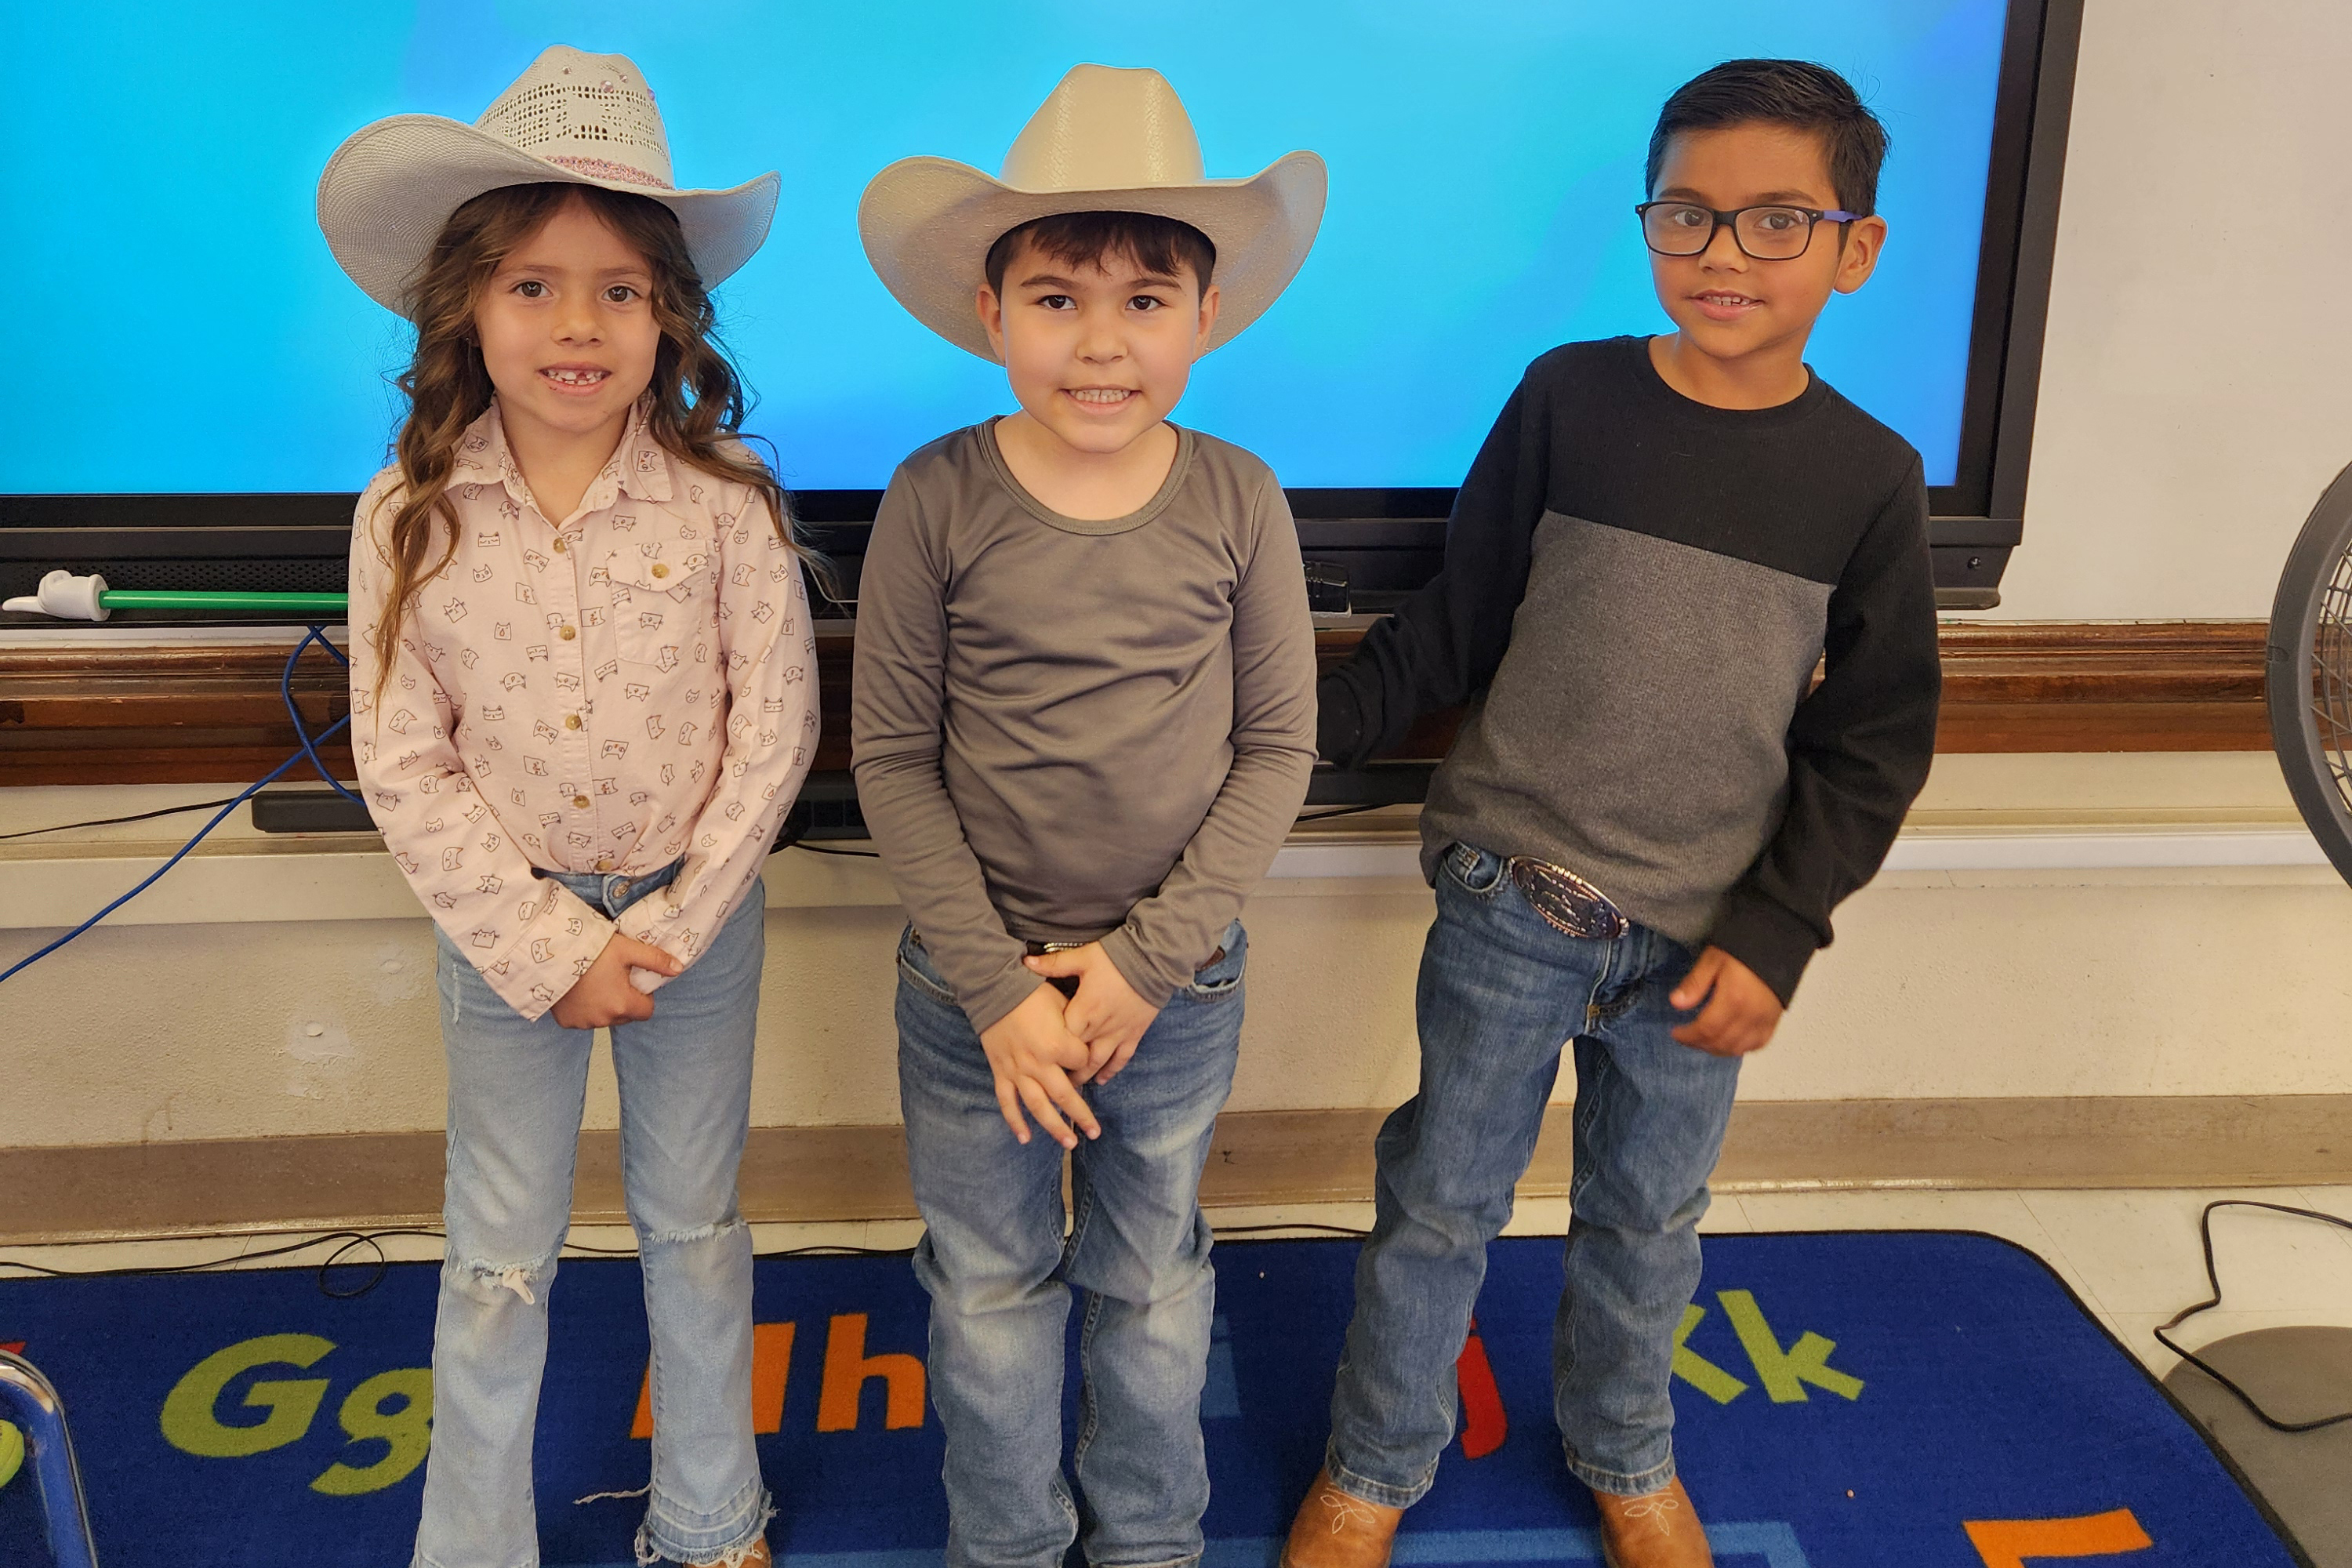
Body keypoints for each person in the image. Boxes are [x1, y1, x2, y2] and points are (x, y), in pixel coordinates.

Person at [1279, 60, 1941, 1568]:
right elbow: (1458, 620)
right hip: (1515, 895)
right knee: (1441, 1201)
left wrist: (1776, 938)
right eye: (1688, 215)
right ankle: (1375, 1465)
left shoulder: (1870, 478)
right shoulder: (1570, 394)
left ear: (1857, 249)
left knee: (1648, 1221)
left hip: (1708, 939)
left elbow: (1872, 742)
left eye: (1779, 221)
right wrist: (1290, 742)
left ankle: (1625, 1451)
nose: (1723, 253)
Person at [323, 46, 817, 1568]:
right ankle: (472, 1543)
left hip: (692, 926)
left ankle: (711, 1513)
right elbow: (403, 758)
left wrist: (663, 930)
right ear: (466, 302)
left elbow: (776, 729)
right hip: (504, 939)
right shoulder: (407, 510)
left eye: (616, 287)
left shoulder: (727, 496)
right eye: (533, 286)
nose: (576, 325)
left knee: (694, 1227)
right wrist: (552, 947)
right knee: (497, 1256)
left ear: (668, 308)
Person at [850, 64, 1324, 1568]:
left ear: (1206, 316)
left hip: (1174, 988)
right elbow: (893, 760)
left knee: (1152, 1280)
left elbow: (1275, 751)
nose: (1101, 342)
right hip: (969, 992)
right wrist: (1001, 992)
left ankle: (1150, 1542)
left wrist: (1144, 964)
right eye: (1057, 300)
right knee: (987, 1290)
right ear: (991, 315)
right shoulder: (934, 495)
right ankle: (1005, 1543)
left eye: (1145, 301)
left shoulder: (1243, 497)